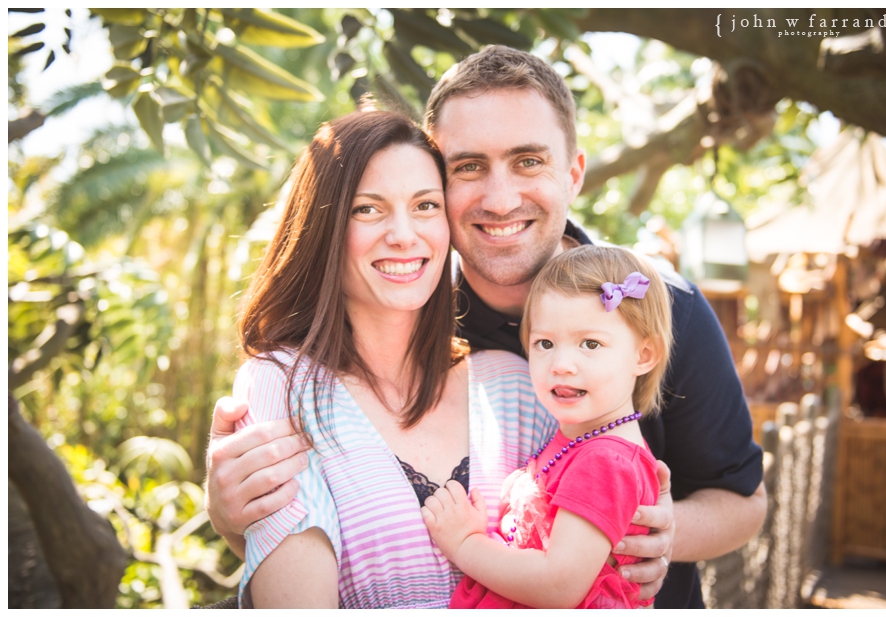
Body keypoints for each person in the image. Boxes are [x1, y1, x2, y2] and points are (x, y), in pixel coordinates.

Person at [205, 46, 766, 608]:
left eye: (528, 161)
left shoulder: (657, 305)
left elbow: (743, 502)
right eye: (469, 167)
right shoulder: (412, 309)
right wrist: (237, 519)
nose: (500, 199)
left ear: (573, 175)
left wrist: (654, 533)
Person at [230, 109, 558, 608]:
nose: (404, 234)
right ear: (324, 229)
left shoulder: (519, 386)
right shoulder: (280, 388)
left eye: (425, 205)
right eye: (367, 209)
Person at [423, 245, 671, 609]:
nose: (562, 364)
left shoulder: (605, 460)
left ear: (643, 355)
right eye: (545, 343)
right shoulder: (581, 442)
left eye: (590, 343)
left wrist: (465, 544)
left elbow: (557, 586)